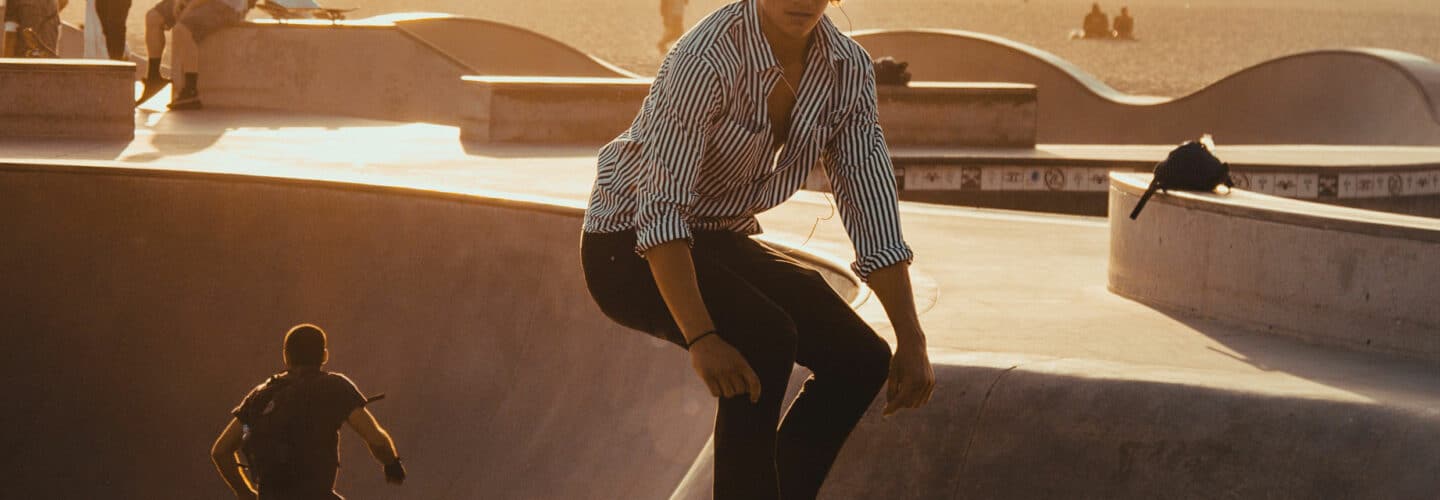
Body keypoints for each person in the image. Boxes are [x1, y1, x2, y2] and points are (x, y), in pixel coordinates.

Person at [580, 1, 936, 498]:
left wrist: (911, 338)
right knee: (764, 337)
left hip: (715, 235)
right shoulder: (706, 58)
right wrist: (702, 337)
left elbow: (870, 204)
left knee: (860, 359)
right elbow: (658, 210)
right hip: (625, 245)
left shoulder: (846, 70)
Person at [210, 324, 406, 499]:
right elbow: (376, 440)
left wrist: (244, 493)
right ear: (324, 355)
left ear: (286, 356)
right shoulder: (333, 387)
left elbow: (221, 451)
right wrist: (392, 464)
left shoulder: (260, 397)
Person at [136, 0, 250, 109]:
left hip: (225, 5)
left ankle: (190, 91)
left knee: (182, 29)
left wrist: (190, 7)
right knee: (153, 17)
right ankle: (154, 77)